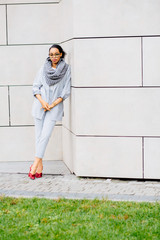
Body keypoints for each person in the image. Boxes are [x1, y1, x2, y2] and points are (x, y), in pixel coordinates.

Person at [28, 44, 71, 180]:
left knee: (45, 136)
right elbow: (36, 87)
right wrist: (43, 103)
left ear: (61, 54)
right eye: (51, 55)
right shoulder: (43, 69)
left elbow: (65, 91)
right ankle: (40, 166)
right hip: (40, 105)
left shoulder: (66, 70)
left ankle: (34, 165)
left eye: (56, 54)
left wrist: (51, 105)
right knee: (39, 137)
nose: (53, 57)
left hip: (54, 107)